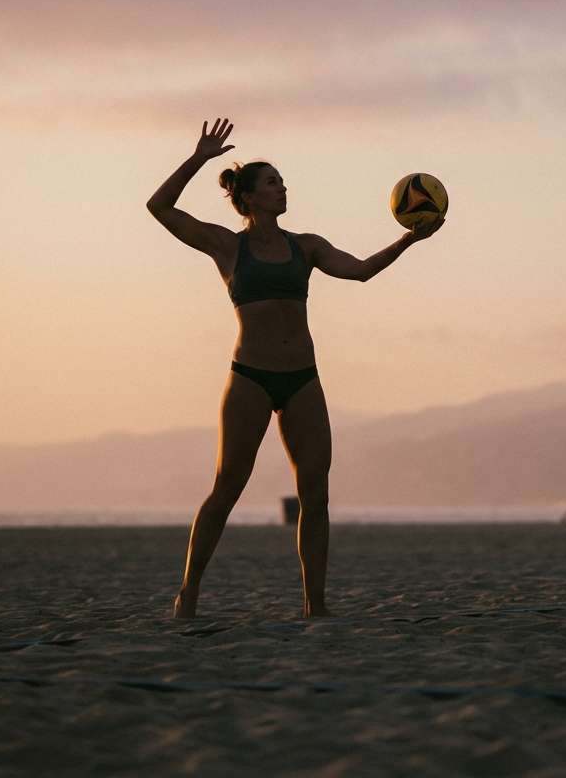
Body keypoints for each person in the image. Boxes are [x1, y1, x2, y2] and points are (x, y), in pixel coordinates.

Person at [146, 118, 445, 619]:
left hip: (302, 379)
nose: (283, 188)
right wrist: (198, 158)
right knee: (226, 488)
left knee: (316, 495)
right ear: (249, 197)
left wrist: (408, 241)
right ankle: (188, 593)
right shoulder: (227, 246)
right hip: (250, 377)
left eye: (283, 181)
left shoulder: (306, 246)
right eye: (272, 182)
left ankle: (315, 605)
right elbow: (159, 208)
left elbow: (360, 271)